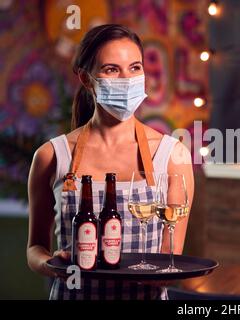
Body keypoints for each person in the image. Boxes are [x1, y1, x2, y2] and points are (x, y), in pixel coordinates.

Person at [26, 24, 194, 300]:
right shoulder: (51, 156)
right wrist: (52, 264)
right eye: (111, 69)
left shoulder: (172, 156)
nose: (126, 79)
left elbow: (169, 258)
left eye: (135, 67)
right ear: (85, 78)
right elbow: (35, 249)